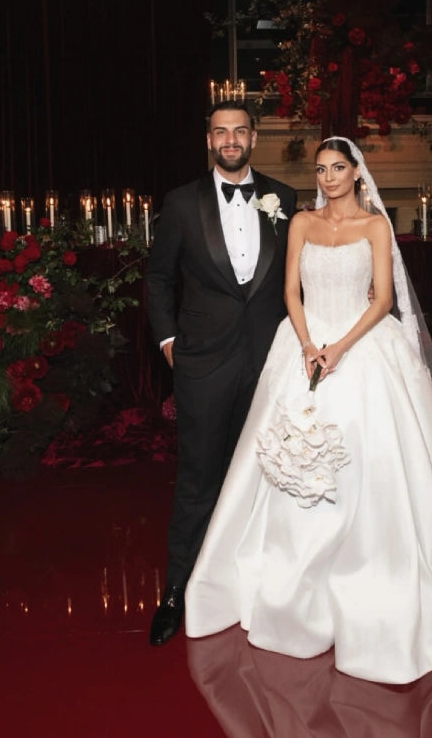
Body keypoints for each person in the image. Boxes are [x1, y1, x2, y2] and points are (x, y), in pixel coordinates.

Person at [184, 136, 432, 684]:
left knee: (369, 453)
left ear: (357, 173)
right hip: (304, 343)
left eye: (338, 168)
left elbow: (381, 301)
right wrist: (307, 345)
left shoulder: (376, 226)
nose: (328, 177)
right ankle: (281, 577)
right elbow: (290, 293)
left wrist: (338, 348)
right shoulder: (301, 223)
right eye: (321, 169)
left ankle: (372, 564)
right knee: (281, 450)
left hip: (360, 343)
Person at [144, 100, 297, 647]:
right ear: (208, 140)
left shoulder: (285, 198)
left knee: (269, 476)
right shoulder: (181, 202)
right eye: (220, 132)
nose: (230, 139)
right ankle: (176, 591)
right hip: (203, 363)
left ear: (254, 137)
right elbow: (158, 278)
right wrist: (169, 342)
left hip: (270, 362)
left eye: (239, 131)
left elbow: (297, 277)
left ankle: (259, 585)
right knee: (198, 478)